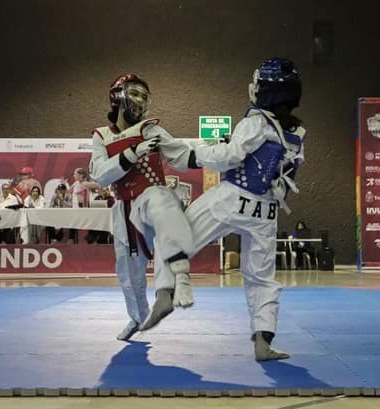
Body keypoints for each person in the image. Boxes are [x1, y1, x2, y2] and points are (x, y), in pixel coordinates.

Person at [141, 58, 305, 361]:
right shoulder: (296, 135)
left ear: (264, 90)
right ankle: (263, 342)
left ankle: (165, 294)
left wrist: (195, 156)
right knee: (262, 278)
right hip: (267, 212)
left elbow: (229, 156)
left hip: (233, 199)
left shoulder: (256, 122)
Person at [89, 73, 195, 341]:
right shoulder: (102, 136)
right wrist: (131, 153)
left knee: (169, 246)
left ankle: (177, 286)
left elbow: (182, 154)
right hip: (124, 209)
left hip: (153, 202)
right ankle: (138, 317)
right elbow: (101, 174)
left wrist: (217, 155)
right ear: (118, 96)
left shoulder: (152, 129)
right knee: (128, 272)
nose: (140, 101)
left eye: (144, 96)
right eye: (134, 93)